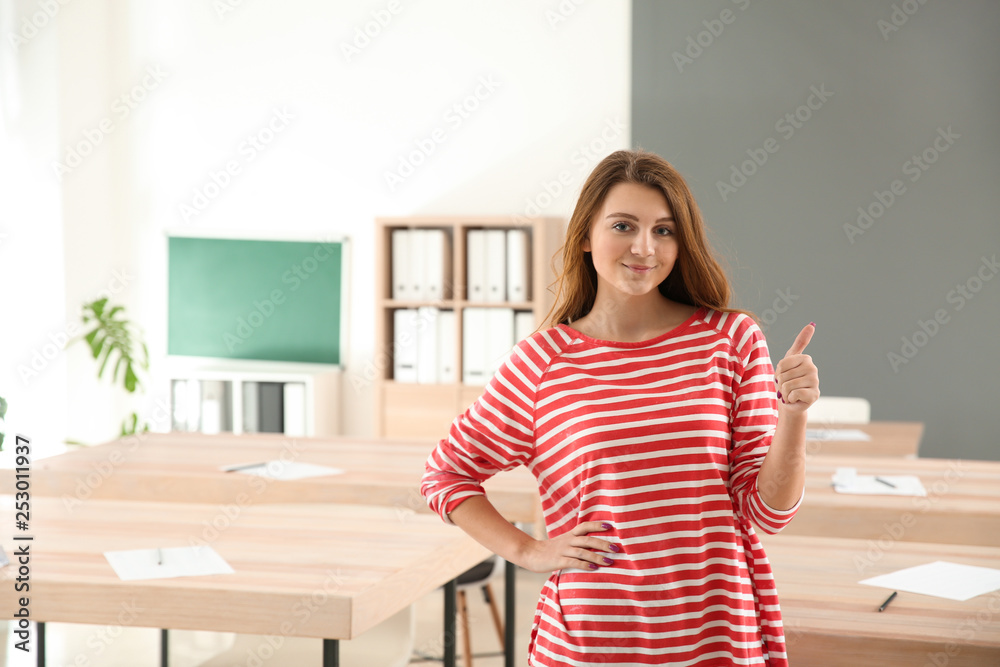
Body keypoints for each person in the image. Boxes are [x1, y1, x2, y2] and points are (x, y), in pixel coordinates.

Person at [421, 149, 820, 666]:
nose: (643, 247)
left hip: (715, 631)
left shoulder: (728, 339)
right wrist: (528, 550)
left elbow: (766, 512)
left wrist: (794, 415)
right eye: (623, 225)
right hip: (590, 639)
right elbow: (446, 474)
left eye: (664, 230)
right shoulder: (542, 362)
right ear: (586, 236)